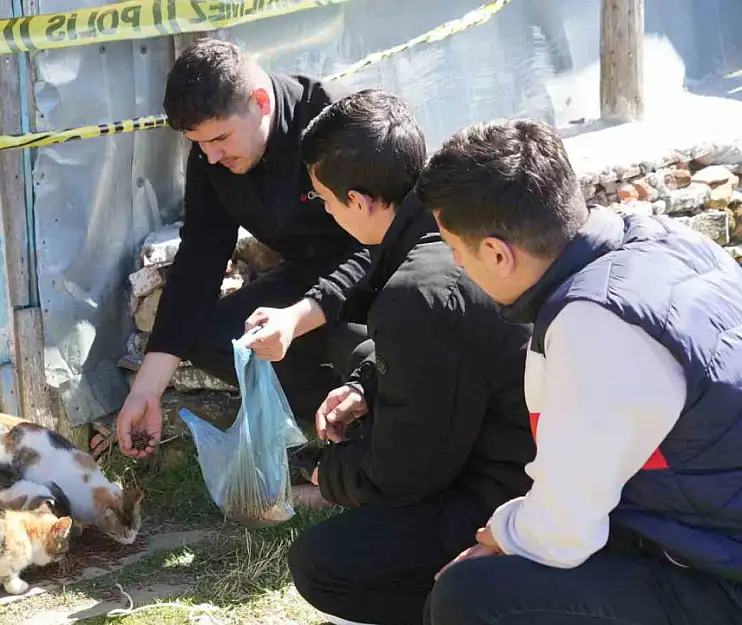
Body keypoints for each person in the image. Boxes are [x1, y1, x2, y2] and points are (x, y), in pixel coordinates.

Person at [417, 118, 742, 624]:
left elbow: (561, 535)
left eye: (457, 252)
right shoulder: (659, 237)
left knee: (472, 597)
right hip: (710, 524)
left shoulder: (595, 323)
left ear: (498, 253)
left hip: (724, 572)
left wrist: (501, 533)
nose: (458, 266)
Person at [277, 90, 536, 625]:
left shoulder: (416, 290)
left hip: (510, 490)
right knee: (354, 348)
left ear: (360, 200)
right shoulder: (451, 228)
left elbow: (405, 476)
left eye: (325, 200)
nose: (325, 213)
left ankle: (470, 608)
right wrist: (365, 384)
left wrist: (327, 471)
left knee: (322, 564)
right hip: (526, 449)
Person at [107, 39, 376, 460]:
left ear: (260, 101)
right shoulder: (212, 157)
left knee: (357, 346)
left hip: (381, 279)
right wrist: (146, 390)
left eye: (220, 139)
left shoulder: (338, 125)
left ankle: (383, 423)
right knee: (216, 338)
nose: (211, 157)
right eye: (199, 145)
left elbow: (381, 246)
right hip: (307, 276)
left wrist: (301, 318)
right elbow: (201, 255)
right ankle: (345, 423)